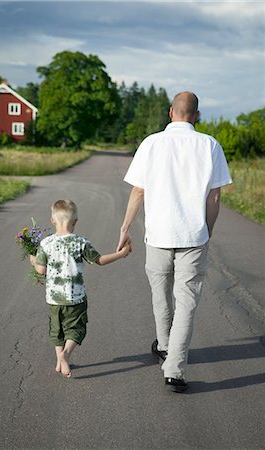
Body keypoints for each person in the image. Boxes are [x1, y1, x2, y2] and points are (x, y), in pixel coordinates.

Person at [117, 91, 232, 393]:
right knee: (187, 302)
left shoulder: (151, 143)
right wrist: (206, 229)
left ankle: (165, 345)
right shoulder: (210, 145)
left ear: (171, 112)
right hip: (193, 236)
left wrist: (125, 227)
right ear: (196, 115)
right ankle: (174, 369)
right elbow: (215, 196)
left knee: (160, 294)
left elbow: (139, 192)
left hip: (157, 235)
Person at [30, 199, 131, 378]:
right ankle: (65, 354)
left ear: (52, 220)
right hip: (76, 298)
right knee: (76, 328)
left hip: (54, 299)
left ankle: (59, 361)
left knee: (57, 329)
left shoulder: (45, 243)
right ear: (75, 221)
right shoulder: (81, 242)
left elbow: (41, 270)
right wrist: (121, 254)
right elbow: (99, 261)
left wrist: (33, 259)